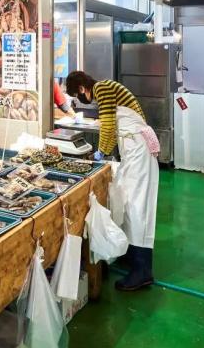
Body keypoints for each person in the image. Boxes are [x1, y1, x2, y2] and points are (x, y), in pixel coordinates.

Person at [66, 70, 158, 292]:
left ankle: (142, 271)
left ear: (81, 88)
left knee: (138, 210)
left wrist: (101, 153)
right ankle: (133, 256)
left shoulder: (102, 88)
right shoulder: (106, 88)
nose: (85, 101)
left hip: (138, 152)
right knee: (127, 204)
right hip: (133, 151)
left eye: (79, 97)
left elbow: (107, 125)